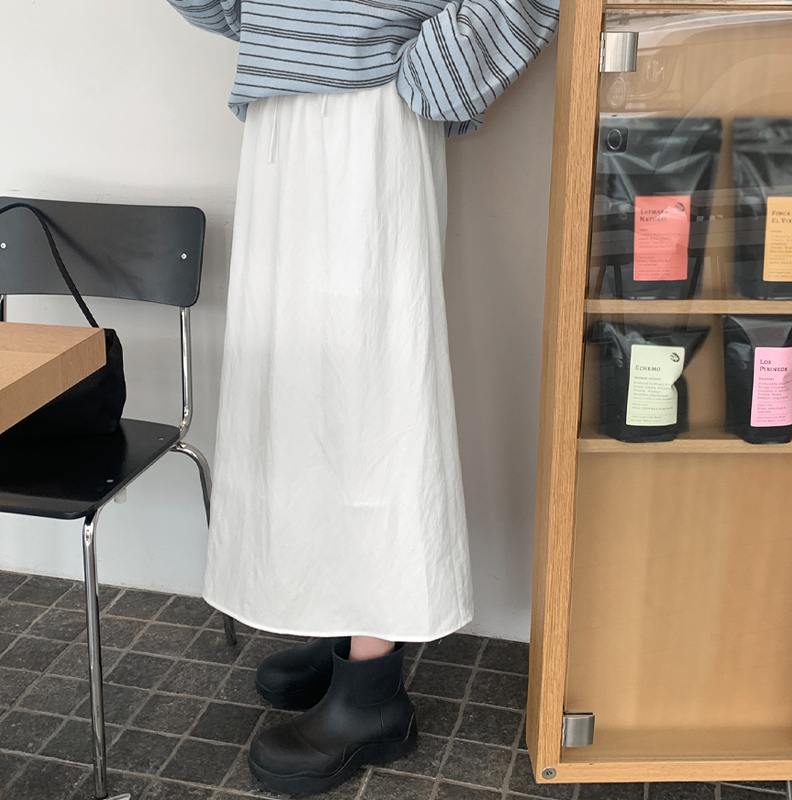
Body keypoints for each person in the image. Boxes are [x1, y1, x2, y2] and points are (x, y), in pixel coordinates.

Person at [164, 1, 558, 795]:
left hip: (370, 111)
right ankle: (341, 615)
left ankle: (373, 690)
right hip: (280, 110)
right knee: (297, 383)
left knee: (371, 386)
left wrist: (426, 71)